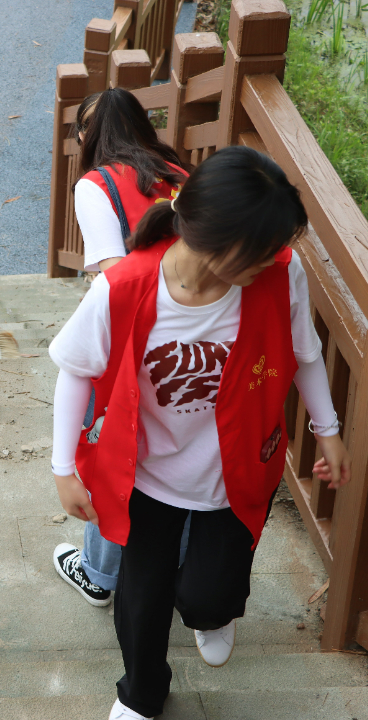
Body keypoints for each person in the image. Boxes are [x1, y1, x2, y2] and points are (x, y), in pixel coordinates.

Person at [48, 146, 350, 720]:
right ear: (215, 241)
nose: (274, 260)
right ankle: (140, 693)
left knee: (209, 596)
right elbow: (75, 370)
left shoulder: (281, 273)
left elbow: (306, 355)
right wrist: (64, 468)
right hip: (146, 473)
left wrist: (327, 430)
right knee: (141, 598)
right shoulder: (126, 286)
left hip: (233, 471)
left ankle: (214, 615)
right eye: (260, 251)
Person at [53, 88, 189, 607]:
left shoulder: (96, 183)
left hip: (138, 335)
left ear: (87, 136)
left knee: (115, 449)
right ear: (143, 125)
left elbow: (116, 275)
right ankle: (178, 567)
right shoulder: (180, 171)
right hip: (201, 330)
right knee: (179, 449)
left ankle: (99, 573)